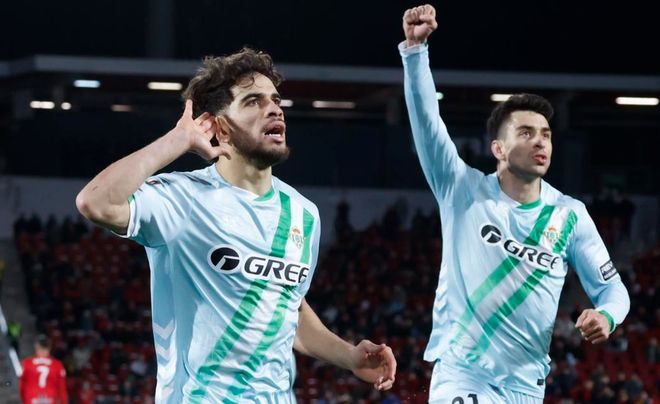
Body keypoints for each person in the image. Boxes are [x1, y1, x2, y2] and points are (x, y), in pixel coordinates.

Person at [76, 47, 396, 402]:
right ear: (220, 127)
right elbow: (95, 202)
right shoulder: (182, 198)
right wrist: (176, 141)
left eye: (275, 100)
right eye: (253, 101)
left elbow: (286, 308)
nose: (274, 109)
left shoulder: (303, 214)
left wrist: (349, 356)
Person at [399, 5, 630, 403]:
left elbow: (613, 289)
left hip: (526, 387)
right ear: (498, 149)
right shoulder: (462, 189)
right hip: (463, 374)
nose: (540, 141)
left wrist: (605, 315)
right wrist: (416, 52)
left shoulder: (569, 215)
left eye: (546, 134)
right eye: (526, 133)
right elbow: (426, 122)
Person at [19, 335, 68, 404]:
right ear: (49, 348)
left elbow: (21, 386)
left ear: (36, 347)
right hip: (50, 399)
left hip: (31, 399)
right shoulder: (57, 365)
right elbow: (62, 389)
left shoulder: (27, 363)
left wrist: (24, 400)